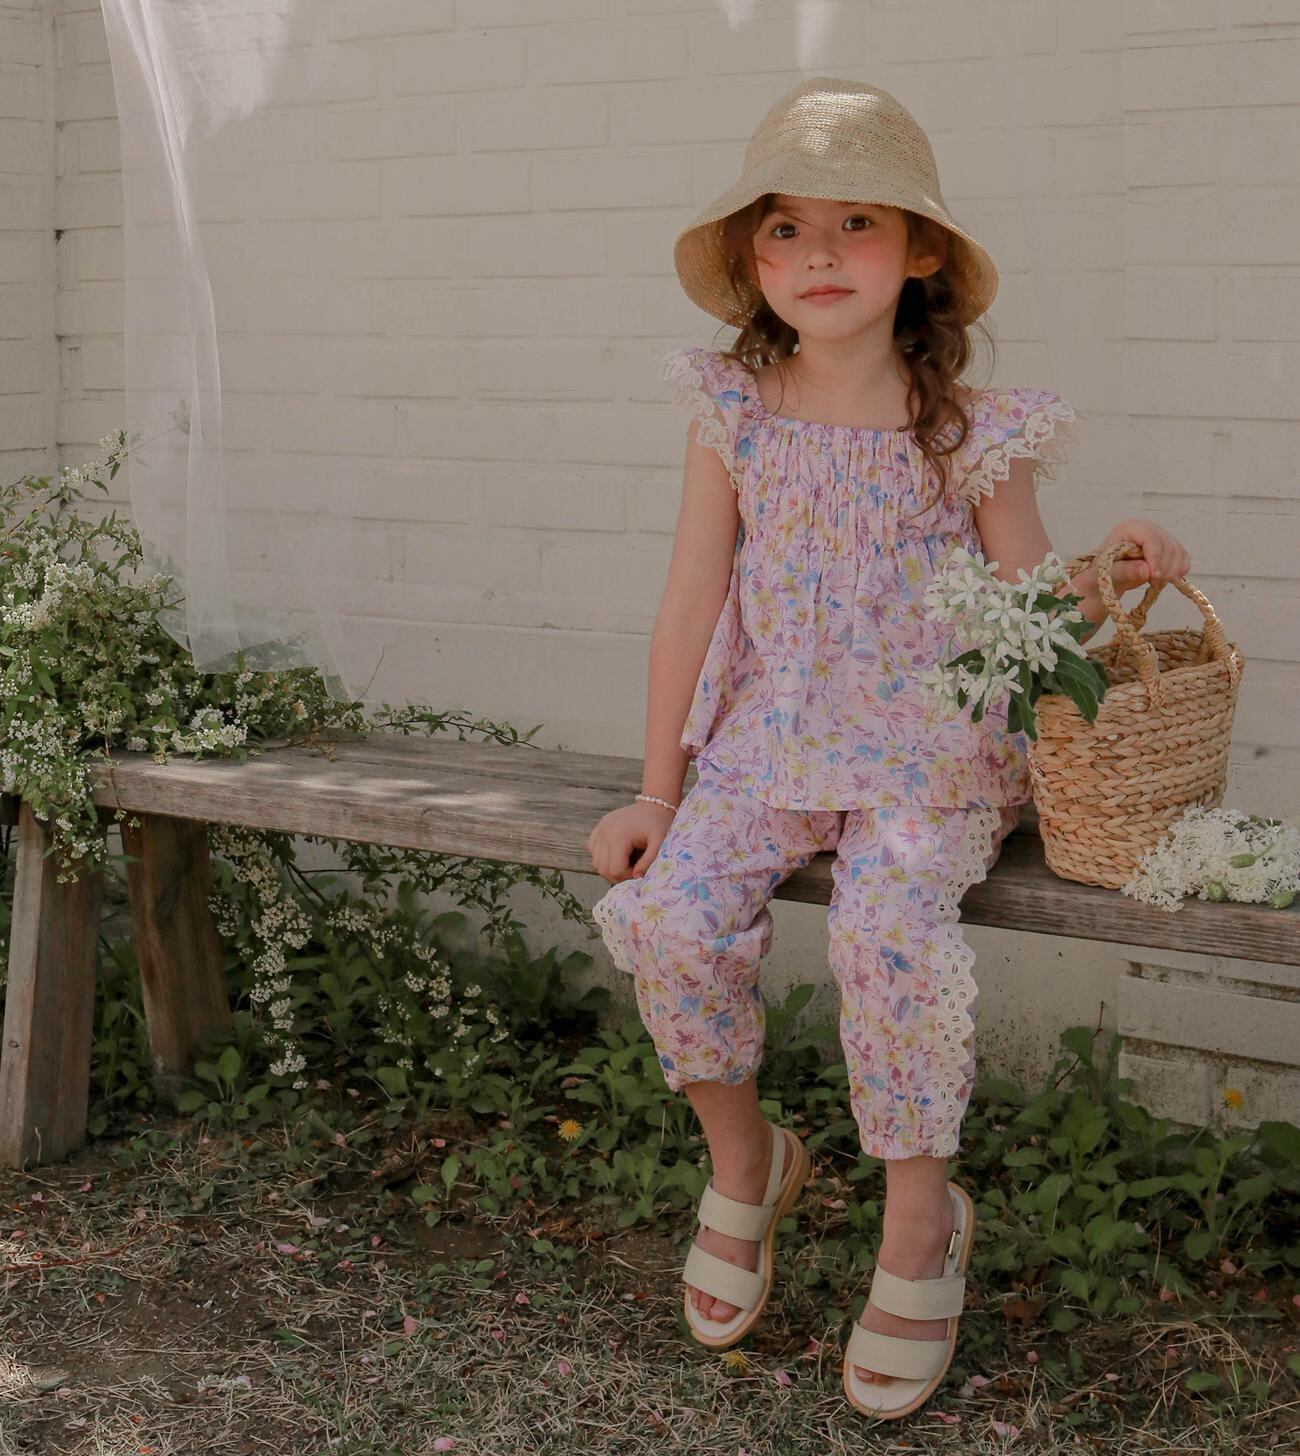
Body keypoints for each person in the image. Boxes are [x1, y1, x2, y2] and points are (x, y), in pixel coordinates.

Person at [586, 77, 1190, 1421]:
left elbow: (1029, 605)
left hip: (929, 755)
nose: (818, 254)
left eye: (855, 222)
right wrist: (655, 793)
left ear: (919, 251)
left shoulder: (968, 430)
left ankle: (920, 1226)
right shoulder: (735, 411)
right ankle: (747, 1162)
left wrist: (1116, 567)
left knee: (887, 933)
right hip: (765, 745)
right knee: (672, 921)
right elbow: (689, 601)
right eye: (785, 228)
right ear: (753, 259)